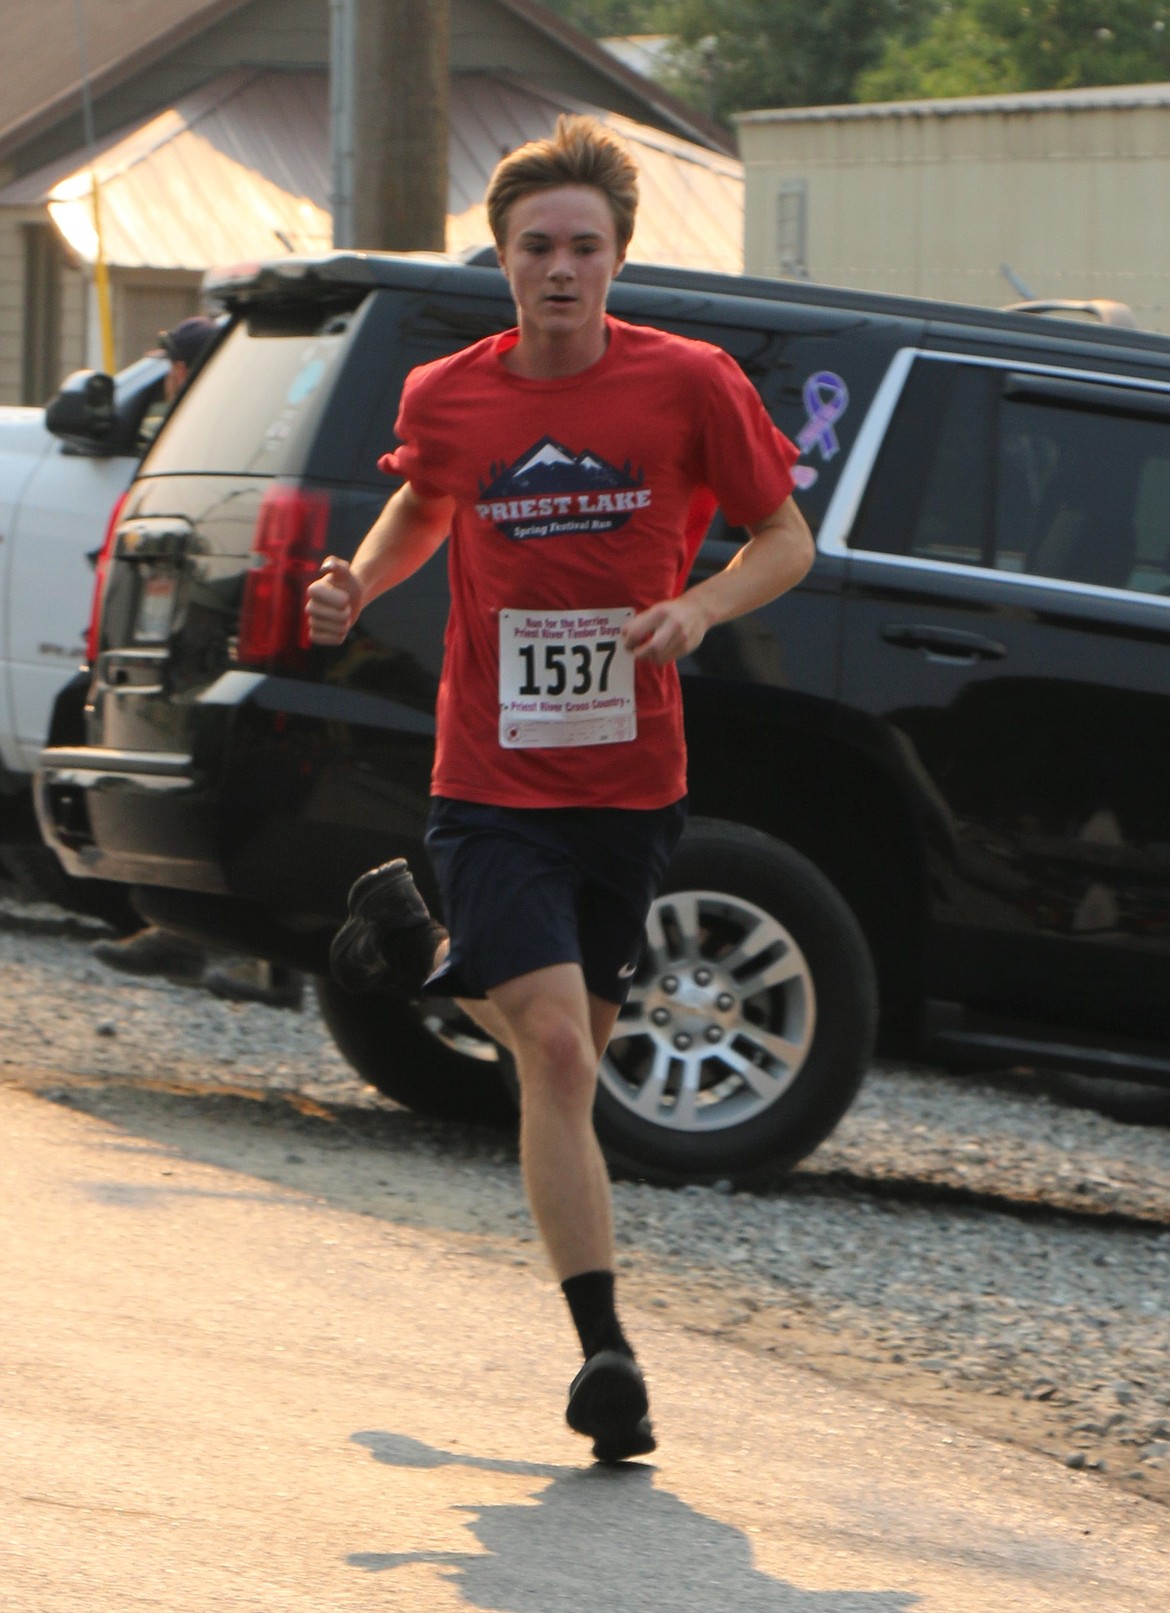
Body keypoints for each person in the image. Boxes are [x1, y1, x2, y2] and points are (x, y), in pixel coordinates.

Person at [305, 115, 813, 1461]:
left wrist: (699, 610)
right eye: (536, 246)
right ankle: (607, 1358)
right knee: (554, 1042)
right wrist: (361, 576)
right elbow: (426, 501)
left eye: (584, 246)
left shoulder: (690, 385)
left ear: (617, 260)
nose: (560, 268)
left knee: (563, 1070)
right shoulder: (451, 396)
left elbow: (784, 534)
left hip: (632, 780)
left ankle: (410, 946)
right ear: (502, 260)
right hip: (491, 766)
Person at [92, 314, 303, 1011]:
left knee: (234, 770)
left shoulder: (246, 425)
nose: (169, 378)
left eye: (173, 365)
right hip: (184, 628)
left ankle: (251, 955)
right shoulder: (220, 427)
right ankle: (188, 933)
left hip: (234, 623)